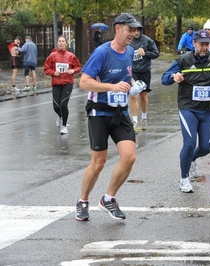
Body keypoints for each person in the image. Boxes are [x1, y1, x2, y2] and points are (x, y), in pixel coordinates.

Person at [75, 13, 141, 221]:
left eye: (135, 30)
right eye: (130, 29)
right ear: (118, 29)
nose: (134, 34)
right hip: (99, 112)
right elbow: (84, 82)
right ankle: (83, 200)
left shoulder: (129, 52)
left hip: (119, 112)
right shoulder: (101, 53)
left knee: (129, 156)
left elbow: (125, 78)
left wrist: (132, 86)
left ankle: (108, 198)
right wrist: (111, 86)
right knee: (99, 162)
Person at [161, 29, 210, 193]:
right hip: (188, 108)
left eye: (207, 44)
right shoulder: (183, 60)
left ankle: (191, 159)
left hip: (208, 110)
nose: (205, 48)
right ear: (194, 43)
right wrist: (173, 77)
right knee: (189, 143)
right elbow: (164, 78)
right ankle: (184, 179)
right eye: (202, 44)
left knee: (206, 147)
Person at [44, 35, 82, 135]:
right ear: (57, 43)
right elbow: (46, 69)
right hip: (56, 83)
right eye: (59, 41)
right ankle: (60, 116)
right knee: (56, 106)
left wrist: (72, 70)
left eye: (63, 41)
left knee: (63, 104)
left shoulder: (71, 56)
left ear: (66, 43)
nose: (61, 43)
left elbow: (78, 67)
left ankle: (64, 126)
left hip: (67, 82)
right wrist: (53, 73)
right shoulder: (52, 56)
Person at [128, 19, 160, 132]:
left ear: (141, 31)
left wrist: (145, 54)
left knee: (143, 95)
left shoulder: (147, 41)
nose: (135, 33)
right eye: (133, 30)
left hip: (145, 71)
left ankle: (144, 118)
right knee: (133, 95)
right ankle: (135, 121)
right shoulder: (129, 41)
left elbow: (156, 53)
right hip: (133, 72)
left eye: (138, 30)